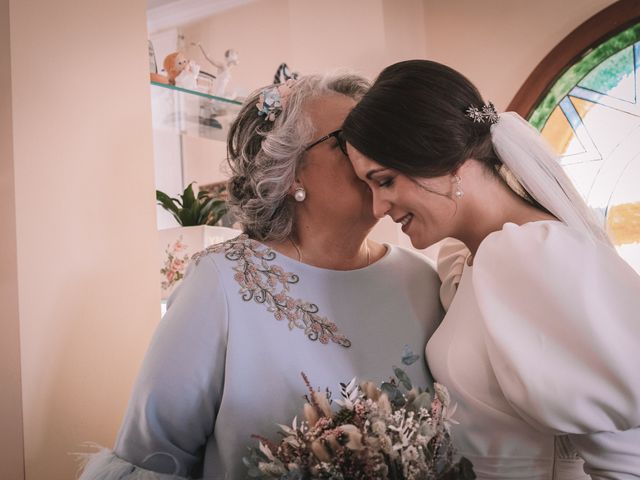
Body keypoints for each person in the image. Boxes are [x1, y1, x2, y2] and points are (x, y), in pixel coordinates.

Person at [77, 72, 443, 480]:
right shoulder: (220, 284)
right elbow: (153, 458)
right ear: (290, 173)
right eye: (347, 141)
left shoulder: (425, 281)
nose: (372, 155)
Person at [342, 59, 640, 480]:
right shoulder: (467, 263)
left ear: (443, 159)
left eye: (385, 180)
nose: (377, 208)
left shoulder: (532, 255)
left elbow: (629, 458)